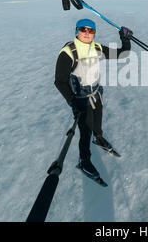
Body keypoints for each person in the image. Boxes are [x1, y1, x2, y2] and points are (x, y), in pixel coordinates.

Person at [54, 18, 132, 179]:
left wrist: (125, 39)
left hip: (96, 92)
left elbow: (122, 54)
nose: (87, 33)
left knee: (97, 120)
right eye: (83, 29)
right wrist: (73, 102)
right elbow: (60, 81)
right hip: (80, 98)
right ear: (77, 30)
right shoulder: (68, 52)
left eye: (91, 30)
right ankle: (84, 160)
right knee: (85, 130)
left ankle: (99, 139)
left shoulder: (96, 47)